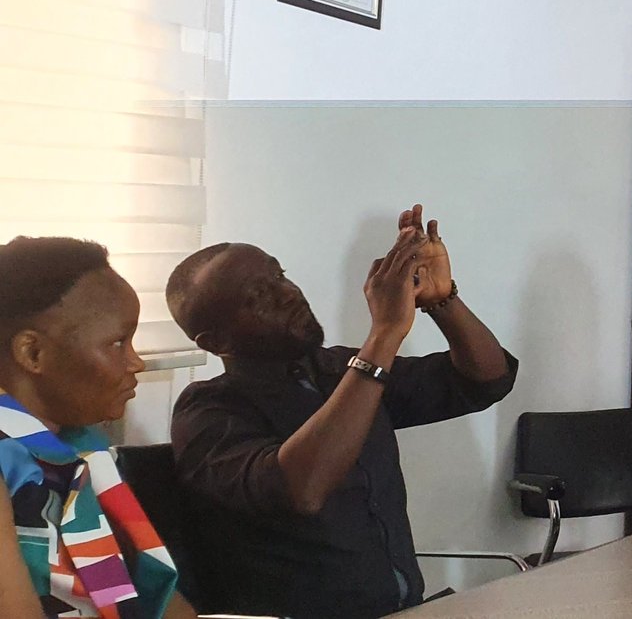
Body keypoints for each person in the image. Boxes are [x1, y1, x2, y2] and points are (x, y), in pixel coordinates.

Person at [164, 207, 516, 619]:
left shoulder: (338, 372)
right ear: (215, 342)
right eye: (257, 296)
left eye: (278, 275)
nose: (287, 293)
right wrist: (384, 335)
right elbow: (303, 488)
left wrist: (443, 301)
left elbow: (485, 380)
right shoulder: (208, 410)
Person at [0, 237, 191, 619]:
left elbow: (162, 606)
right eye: (118, 343)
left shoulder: (81, 449)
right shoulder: (11, 462)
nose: (136, 363)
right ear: (33, 353)